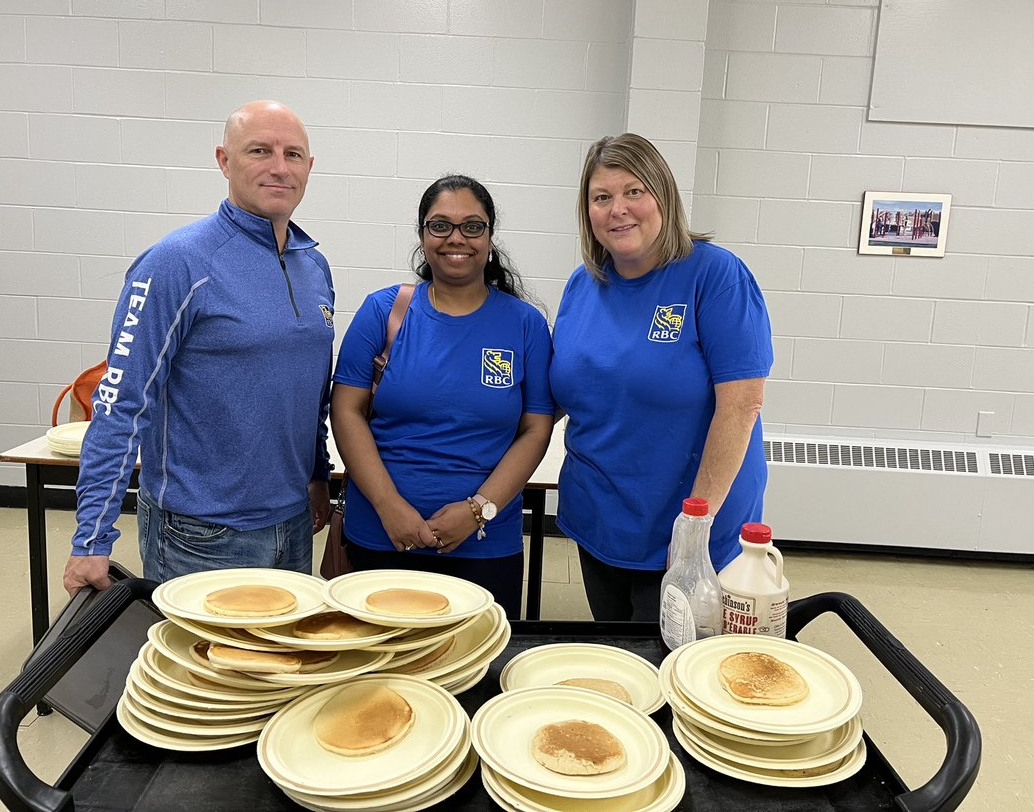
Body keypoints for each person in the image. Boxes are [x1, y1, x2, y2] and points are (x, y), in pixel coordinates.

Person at [63, 100, 336, 594]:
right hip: (201, 534)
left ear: (309, 167)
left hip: (293, 523)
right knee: (201, 651)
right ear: (224, 161)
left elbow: (311, 390)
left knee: (282, 648)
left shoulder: (313, 266)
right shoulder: (177, 263)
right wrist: (91, 538)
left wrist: (318, 475)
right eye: (260, 150)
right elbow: (121, 403)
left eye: (293, 154)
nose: (280, 167)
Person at [550, 133, 773, 622]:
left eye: (634, 191)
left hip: (688, 525)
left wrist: (694, 526)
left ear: (663, 196)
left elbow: (742, 407)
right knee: (618, 651)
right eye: (601, 197)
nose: (618, 209)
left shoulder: (715, 275)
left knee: (674, 658)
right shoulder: (583, 285)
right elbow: (562, 390)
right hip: (601, 517)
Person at [332, 175, 553, 619]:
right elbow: (346, 411)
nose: (456, 238)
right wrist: (389, 507)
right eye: (440, 225)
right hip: (381, 534)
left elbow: (536, 429)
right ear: (422, 235)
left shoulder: (524, 323)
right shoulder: (383, 311)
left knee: (477, 656)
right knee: (379, 657)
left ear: (489, 236)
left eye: (472, 226)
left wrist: (478, 510)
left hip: (485, 544)